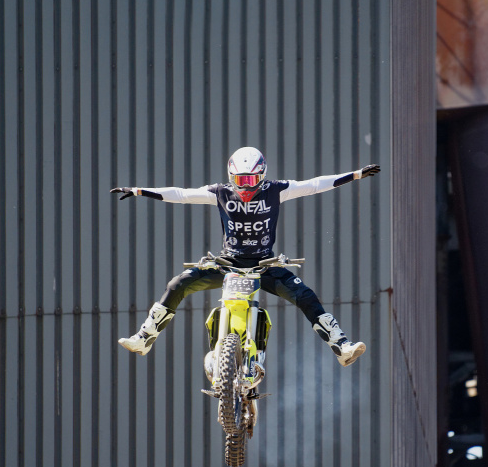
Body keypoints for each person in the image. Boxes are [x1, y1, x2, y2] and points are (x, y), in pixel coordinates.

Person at [111, 146, 380, 367]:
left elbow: (313, 185)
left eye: (251, 180)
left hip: (265, 267)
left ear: (262, 176)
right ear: (231, 177)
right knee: (177, 285)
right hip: (228, 264)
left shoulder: (277, 190)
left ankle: (342, 347)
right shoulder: (219, 193)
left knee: (306, 296)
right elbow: (181, 194)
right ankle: (144, 338)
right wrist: (139, 191)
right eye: (240, 180)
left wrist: (355, 175)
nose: (246, 187)